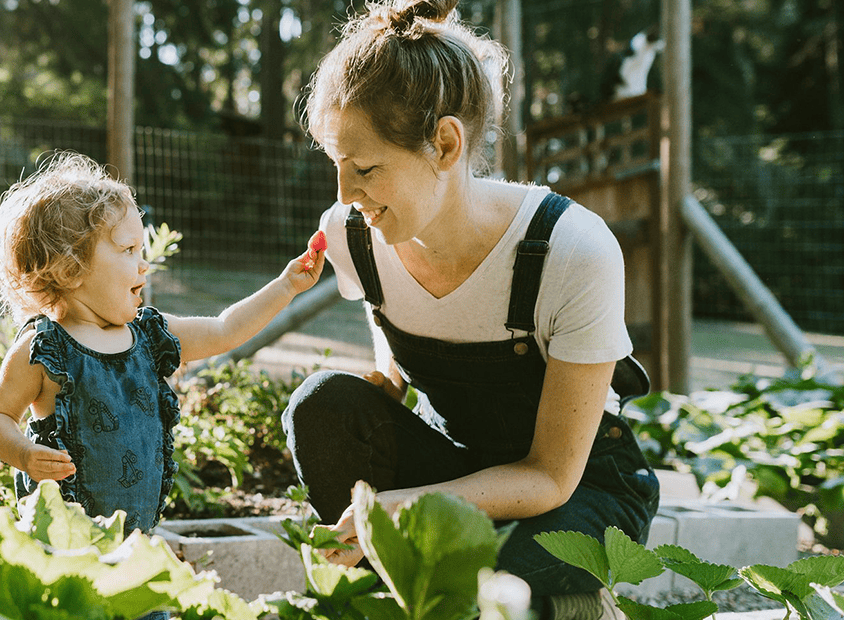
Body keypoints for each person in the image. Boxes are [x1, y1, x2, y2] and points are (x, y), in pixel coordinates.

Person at [281, 0, 659, 617]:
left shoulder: (572, 250)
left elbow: (550, 477)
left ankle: (561, 601)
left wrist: (419, 507)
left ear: (446, 143)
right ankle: (406, 583)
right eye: (336, 166)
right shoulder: (354, 236)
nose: (346, 195)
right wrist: (388, 387)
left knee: (485, 553)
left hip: (574, 496)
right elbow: (394, 337)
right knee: (321, 405)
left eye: (366, 168)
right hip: (458, 464)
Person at [0, 151, 325, 620]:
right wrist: (24, 454)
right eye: (128, 250)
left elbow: (222, 330)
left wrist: (285, 287)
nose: (144, 264)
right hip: (63, 554)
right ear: (71, 269)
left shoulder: (148, 336)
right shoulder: (45, 348)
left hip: (136, 551)